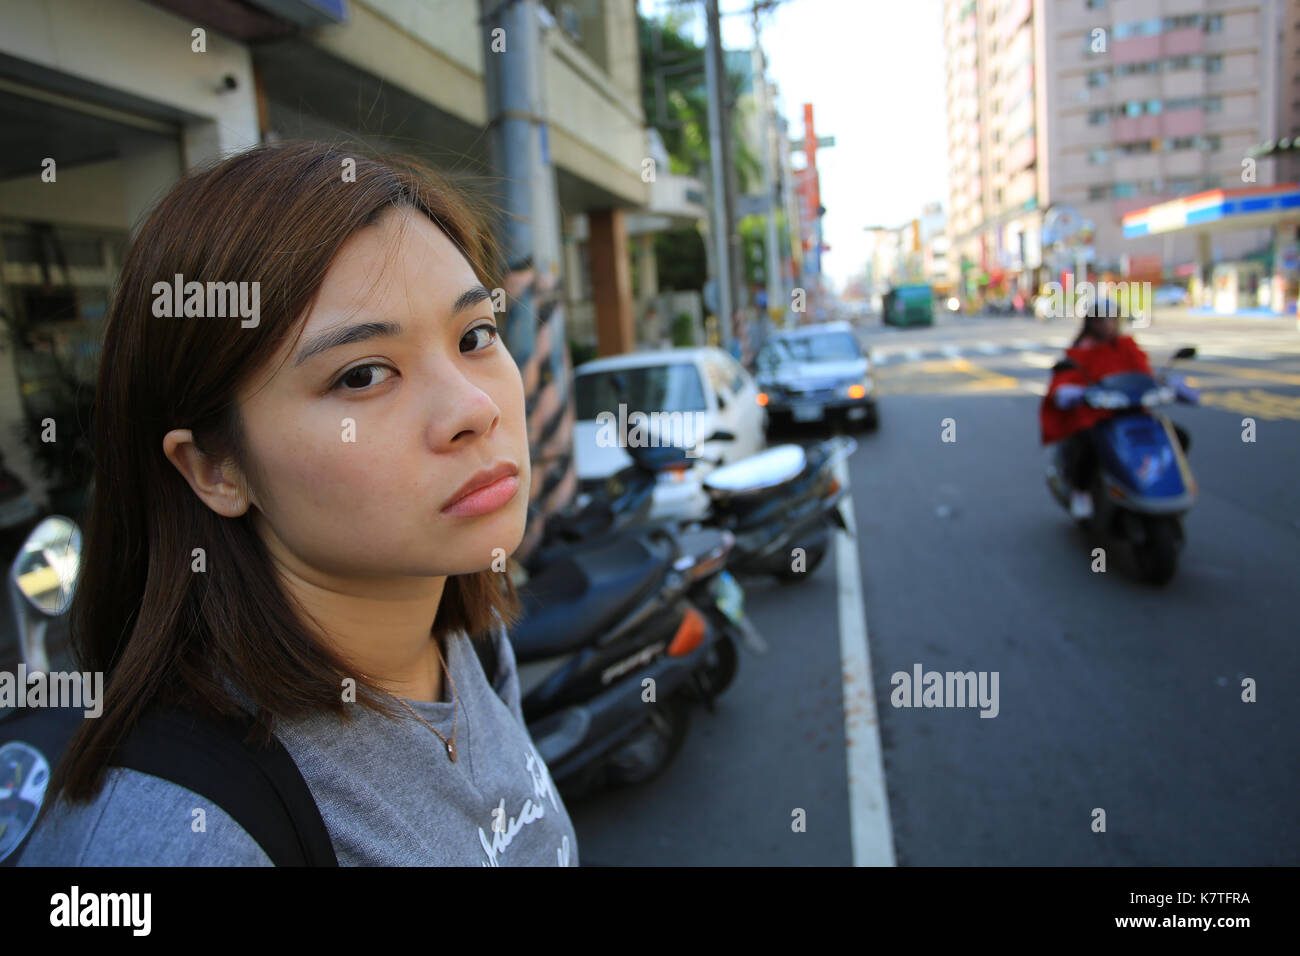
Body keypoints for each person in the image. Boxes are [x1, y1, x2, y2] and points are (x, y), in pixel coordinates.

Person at [19, 141, 579, 866]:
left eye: (475, 335)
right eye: (363, 375)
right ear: (214, 469)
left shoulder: (461, 636)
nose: (473, 407)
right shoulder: (190, 832)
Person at [1039, 302, 1190, 520]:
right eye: (1101, 319)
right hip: (1098, 415)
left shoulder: (1127, 346)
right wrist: (1069, 392)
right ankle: (1081, 492)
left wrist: (1168, 385)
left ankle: (1164, 480)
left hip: (1132, 413)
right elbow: (1065, 381)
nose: (1107, 324)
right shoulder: (1082, 349)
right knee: (1090, 443)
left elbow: (1145, 375)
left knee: (1176, 436)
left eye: (1111, 319)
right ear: (1091, 322)